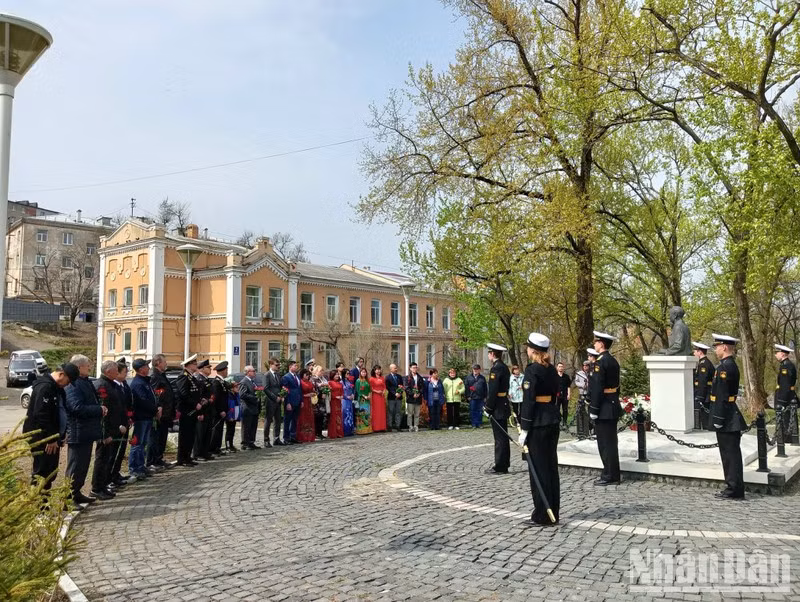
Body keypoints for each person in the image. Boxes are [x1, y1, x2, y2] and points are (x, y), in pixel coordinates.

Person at [517, 332, 561, 525]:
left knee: (539, 469)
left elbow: (529, 401)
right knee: (551, 468)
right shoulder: (551, 370)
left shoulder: (532, 370)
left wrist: (524, 428)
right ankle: (553, 511)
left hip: (537, 423)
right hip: (551, 419)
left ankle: (542, 514)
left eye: (528, 347)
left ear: (533, 350)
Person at [23, 363, 78, 497]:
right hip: (43, 439)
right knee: (42, 474)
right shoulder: (45, 387)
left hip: (53, 438)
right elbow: (41, 415)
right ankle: (38, 510)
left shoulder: (57, 389)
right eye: (68, 381)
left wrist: (62, 433)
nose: (68, 384)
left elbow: (60, 412)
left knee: (50, 474)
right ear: (61, 375)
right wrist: (52, 438)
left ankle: (44, 508)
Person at [64, 355, 106, 505]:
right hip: (78, 432)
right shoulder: (73, 384)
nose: (90, 367)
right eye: (87, 365)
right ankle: (68, 498)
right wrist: (98, 410)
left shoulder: (85, 382)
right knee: (75, 466)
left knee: (83, 466)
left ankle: (76, 493)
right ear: (79, 367)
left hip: (86, 432)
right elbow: (76, 407)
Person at [711, 334, 745, 499]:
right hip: (730, 415)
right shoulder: (727, 365)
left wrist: (718, 419)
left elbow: (722, 396)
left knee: (730, 455)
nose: (716, 349)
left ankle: (734, 489)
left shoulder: (725, 367)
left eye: (717, 346)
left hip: (727, 417)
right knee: (730, 454)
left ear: (724, 347)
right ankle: (733, 487)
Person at [588, 331, 621, 486]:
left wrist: (594, 409)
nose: (594, 344)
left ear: (601, 344)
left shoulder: (600, 363)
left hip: (604, 408)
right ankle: (613, 473)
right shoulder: (613, 361)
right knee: (611, 443)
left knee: (605, 444)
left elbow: (597, 388)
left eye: (596, 342)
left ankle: (609, 475)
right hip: (612, 404)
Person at [90, 360, 123, 500]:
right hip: (106, 432)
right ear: (108, 371)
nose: (118, 372)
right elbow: (103, 413)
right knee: (101, 459)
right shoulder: (102, 386)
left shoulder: (110, 385)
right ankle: (96, 488)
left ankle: (103, 485)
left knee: (107, 459)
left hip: (113, 429)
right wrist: (105, 434)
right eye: (116, 370)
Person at [129, 358, 157, 481]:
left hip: (147, 417)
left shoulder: (145, 382)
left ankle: (141, 466)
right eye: (146, 366)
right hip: (141, 417)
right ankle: (135, 468)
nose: (149, 367)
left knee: (143, 443)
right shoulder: (138, 383)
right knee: (138, 444)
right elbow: (143, 401)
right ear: (141, 369)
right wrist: (155, 410)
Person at [485, 344, 511, 474]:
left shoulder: (496, 369)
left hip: (498, 406)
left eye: (489, 353)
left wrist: (488, 408)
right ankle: (504, 463)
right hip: (503, 403)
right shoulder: (504, 367)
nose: (488, 355)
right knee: (503, 436)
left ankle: (500, 465)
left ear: (492, 354)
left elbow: (493, 391)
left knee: (499, 438)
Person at [149, 354, 175, 468]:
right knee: (157, 438)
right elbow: (156, 393)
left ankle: (159, 459)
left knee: (162, 437)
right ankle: (153, 460)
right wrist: (158, 407)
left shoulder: (161, 375)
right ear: (158, 363)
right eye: (164, 362)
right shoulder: (155, 376)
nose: (166, 364)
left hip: (166, 413)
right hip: (161, 413)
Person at [175, 355, 201, 467]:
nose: (196, 365)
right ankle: (182, 458)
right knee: (185, 435)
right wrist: (195, 404)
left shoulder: (191, 377)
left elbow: (196, 392)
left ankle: (187, 456)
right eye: (194, 364)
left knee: (190, 435)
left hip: (193, 410)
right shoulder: (183, 377)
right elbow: (184, 394)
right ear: (189, 365)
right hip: (186, 410)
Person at [110, 360, 133, 487]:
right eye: (125, 372)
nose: (126, 374)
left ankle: (116, 473)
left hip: (125, 422)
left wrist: (129, 417)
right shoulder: (113, 386)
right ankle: (110, 476)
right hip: (117, 424)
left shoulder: (124, 385)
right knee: (113, 452)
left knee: (121, 450)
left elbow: (128, 403)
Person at [774, 343, 796, 443]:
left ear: (782, 354)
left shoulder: (786, 367)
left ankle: (787, 440)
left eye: (777, 353)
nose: (775, 355)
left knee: (786, 420)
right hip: (787, 396)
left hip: (785, 398)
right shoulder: (785, 365)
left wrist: (781, 402)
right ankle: (786, 438)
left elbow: (785, 386)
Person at [193, 360, 214, 461]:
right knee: (200, 434)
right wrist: (199, 413)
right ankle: (197, 453)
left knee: (206, 433)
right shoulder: (199, 379)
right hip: (202, 411)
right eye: (208, 367)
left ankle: (205, 452)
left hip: (208, 410)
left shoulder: (206, 379)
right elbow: (199, 398)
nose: (210, 369)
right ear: (202, 369)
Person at [692, 342, 715, 430]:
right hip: (704, 391)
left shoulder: (704, 364)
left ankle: (706, 429)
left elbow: (702, 382)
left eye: (695, 351)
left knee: (704, 415)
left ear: (700, 352)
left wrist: (700, 396)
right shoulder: (702, 363)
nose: (694, 353)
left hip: (704, 393)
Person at [209, 361, 231, 453]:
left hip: (222, 411)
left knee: (220, 430)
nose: (227, 372)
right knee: (216, 430)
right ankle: (213, 448)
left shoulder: (222, 382)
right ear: (223, 371)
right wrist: (221, 410)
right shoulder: (216, 382)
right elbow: (217, 399)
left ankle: (217, 447)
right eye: (226, 370)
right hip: (218, 411)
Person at [239, 364, 261, 450]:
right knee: (246, 426)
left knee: (253, 426)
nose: (255, 372)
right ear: (248, 372)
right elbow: (242, 395)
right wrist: (255, 398)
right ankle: (245, 443)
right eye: (253, 371)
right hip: (247, 407)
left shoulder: (252, 381)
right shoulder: (244, 382)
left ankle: (251, 442)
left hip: (254, 408)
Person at [263, 358, 283, 447]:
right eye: (276, 365)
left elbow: (280, 387)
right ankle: (266, 439)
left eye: (279, 365)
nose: (278, 367)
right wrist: (275, 398)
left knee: (278, 420)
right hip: (270, 401)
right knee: (268, 420)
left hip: (278, 401)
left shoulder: (278, 375)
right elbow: (266, 389)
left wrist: (282, 395)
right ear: (271, 365)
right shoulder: (267, 375)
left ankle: (276, 438)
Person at [281, 360, 301, 444]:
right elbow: (285, 390)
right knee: (287, 420)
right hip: (290, 401)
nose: (296, 367)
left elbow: (300, 389)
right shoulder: (286, 377)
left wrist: (301, 400)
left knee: (294, 420)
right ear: (290, 367)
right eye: (295, 366)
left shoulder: (297, 376)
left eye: (296, 366)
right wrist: (287, 402)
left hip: (297, 400)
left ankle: (293, 436)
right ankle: (286, 438)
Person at [297, 368, 317, 443]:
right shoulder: (300, 382)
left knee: (310, 418)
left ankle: (310, 436)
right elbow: (299, 393)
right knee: (303, 418)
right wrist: (307, 395)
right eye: (306, 375)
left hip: (309, 402)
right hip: (304, 401)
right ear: (302, 375)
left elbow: (312, 390)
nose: (308, 376)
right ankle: (302, 436)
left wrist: (313, 393)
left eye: (309, 375)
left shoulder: (309, 382)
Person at [465, 364, 488, 428]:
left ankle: (479, 423)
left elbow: (485, 388)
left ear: (479, 370)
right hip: (472, 397)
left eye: (477, 369)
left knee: (480, 411)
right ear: (472, 370)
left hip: (481, 397)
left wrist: (485, 397)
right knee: (473, 411)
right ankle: (474, 424)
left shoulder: (482, 378)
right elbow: (466, 388)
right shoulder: (468, 377)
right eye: (474, 369)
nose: (475, 370)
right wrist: (468, 396)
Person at [405, 362, 425, 432]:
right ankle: (410, 426)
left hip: (418, 398)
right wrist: (412, 394)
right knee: (410, 414)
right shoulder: (407, 378)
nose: (415, 369)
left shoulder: (420, 377)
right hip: (410, 398)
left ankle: (416, 425)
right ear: (410, 368)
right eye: (413, 367)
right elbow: (406, 388)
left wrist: (419, 393)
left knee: (417, 413)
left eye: (416, 367)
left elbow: (422, 387)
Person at [311, 365, 329, 439]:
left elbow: (327, 386)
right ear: (316, 371)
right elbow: (314, 389)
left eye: (322, 371)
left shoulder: (323, 378)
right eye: (320, 371)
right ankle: (316, 433)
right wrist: (321, 392)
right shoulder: (314, 379)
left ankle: (320, 432)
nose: (322, 372)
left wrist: (326, 390)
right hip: (316, 400)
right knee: (317, 416)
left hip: (323, 400)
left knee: (322, 416)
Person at [385, 363, 404, 432]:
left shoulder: (399, 377)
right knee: (390, 411)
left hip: (399, 397)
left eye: (396, 368)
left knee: (398, 412)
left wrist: (400, 393)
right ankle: (389, 426)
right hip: (391, 397)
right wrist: (394, 393)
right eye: (395, 368)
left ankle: (398, 425)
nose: (396, 369)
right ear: (391, 369)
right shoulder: (388, 377)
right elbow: (388, 387)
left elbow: (402, 386)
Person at [369, 365, 388, 433]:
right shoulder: (371, 379)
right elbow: (370, 388)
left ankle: (382, 427)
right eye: (377, 369)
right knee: (376, 411)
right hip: (375, 396)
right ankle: (376, 427)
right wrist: (377, 391)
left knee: (382, 411)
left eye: (379, 369)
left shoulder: (382, 378)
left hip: (381, 396)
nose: (378, 371)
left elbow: (384, 386)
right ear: (374, 371)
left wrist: (383, 391)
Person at [224, 378, 241, 452]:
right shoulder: (229, 395)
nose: (238, 388)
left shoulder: (236, 395)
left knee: (233, 430)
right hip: (230, 416)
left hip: (235, 416)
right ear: (231, 388)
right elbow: (229, 406)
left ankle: (231, 444)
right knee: (229, 431)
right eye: (236, 387)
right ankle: (228, 446)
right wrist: (230, 416)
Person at [328, 370, 344, 439]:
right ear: (332, 375)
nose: (337, 376)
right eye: (335, 375)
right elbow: (329, 393)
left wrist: (342, 396)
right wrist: (335, 396)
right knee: (333, 417)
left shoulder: (340, 383)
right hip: (333, 401)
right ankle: (333, 433)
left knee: (339, 416)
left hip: (339, 402)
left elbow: (342, 391)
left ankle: (339, 432)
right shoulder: (330, 383)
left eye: (337, 374)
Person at [355, 368, 372, 435]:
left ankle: (368, 429)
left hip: (367, 399)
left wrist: (369, 395)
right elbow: (357, 390)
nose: (364, 373)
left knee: (367, 413)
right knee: (361, 413)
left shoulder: (367, 381)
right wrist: (363, 395)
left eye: (365, 372)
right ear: (360, 373)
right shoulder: (358, 381)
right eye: (362, 372)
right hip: (361, 399)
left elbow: (370, 389)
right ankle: (361, 429)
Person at [556, 362, 572, 427]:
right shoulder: (554, 376)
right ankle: (558, 422)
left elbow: (568, 386)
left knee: (565, 409)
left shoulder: (566, 376)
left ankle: (565, 422)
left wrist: (569, 394)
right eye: (559, 366)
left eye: (562, 366)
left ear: (563, 368)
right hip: (557, 395)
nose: (561, 368)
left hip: (565, 395)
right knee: (557, 409)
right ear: (557, 368)